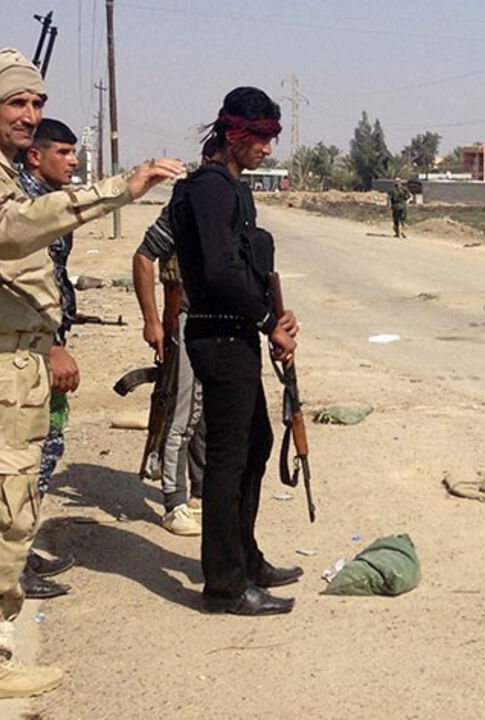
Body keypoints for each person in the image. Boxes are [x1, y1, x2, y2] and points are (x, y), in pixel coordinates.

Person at [0, 48, 183, 703]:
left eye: (37, 103)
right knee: (4, 518)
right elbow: (12, 229)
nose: (30, 115)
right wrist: (118, 190)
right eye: (16, 103)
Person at [173, 86, 302, 617]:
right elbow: (222, 272)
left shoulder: (233, 188)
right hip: (218, 333)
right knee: (228, 461)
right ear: (233, 135)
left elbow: (249, 268)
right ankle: (224, 585)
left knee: (256, 443)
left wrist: (275, 315)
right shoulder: (209, 190)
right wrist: (270, 322)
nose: (267, 150)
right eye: (261, 139)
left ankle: (245, 558)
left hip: (237, 333)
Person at [133, 145, 220, 536]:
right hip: (183, 316)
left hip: (214, 322)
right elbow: (143, 257)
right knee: (181, 414)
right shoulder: (185, 207)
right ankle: (174, 501)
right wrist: (152, 320)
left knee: (203, 415)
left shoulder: (228, 205)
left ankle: (198, 492)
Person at [16, 118, 83, 599]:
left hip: (45, 342)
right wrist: (51, 344)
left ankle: (21, 552)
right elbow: (21, 284)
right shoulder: (24, 208)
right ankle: (11, 568)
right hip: (32, 349)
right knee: (30, 455)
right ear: (35, 157)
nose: (73, 160)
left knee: (46, 448)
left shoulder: (45, 202)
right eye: (63, 151)